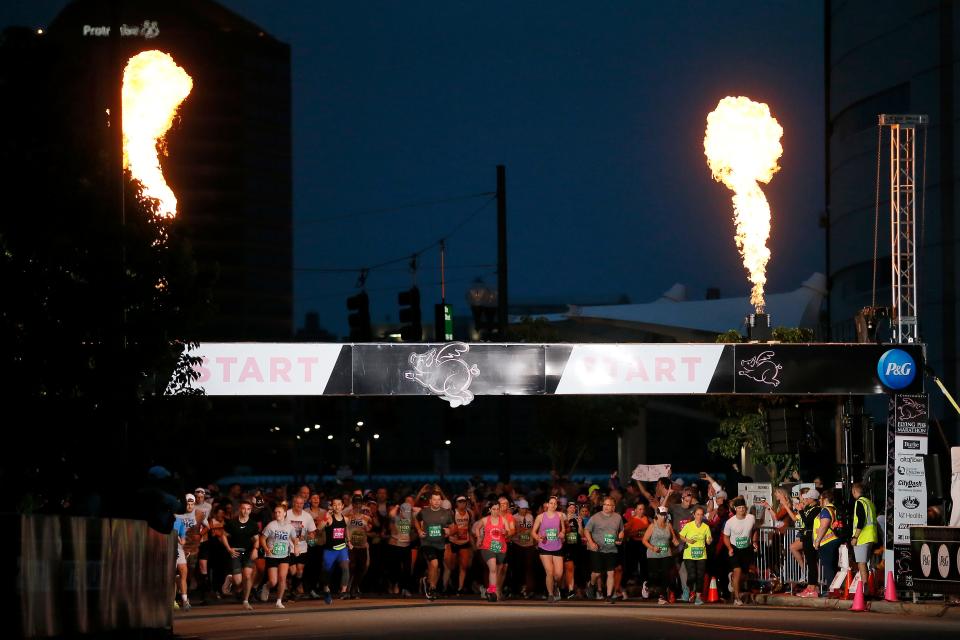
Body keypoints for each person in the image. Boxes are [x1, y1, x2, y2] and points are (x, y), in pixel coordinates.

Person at [584, 496, 624, 604]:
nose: (606, 507)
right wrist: (591, 542)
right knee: (597, 574)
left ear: (613, 507)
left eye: (609, 505)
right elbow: (586, 530)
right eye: (605, 504)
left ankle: (609, 595)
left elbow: (621, 530)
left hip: (611, 549)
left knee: (610, 572)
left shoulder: (618, 517)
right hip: (597, 548)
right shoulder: (596, 517)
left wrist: (620, 538)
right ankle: (591, 584)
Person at [415, 490, 454, 600]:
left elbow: (453, 526)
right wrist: (419, 530)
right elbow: (416, 520)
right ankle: (432, 588)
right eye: (434, 500)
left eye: (438, 500)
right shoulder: (424, 512)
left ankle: (429, 583)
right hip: (427, 543)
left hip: (440, 544)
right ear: (430, 501)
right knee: (435, 563)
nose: (437, 502)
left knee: (436, 568)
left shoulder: (446, 513)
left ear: (441, 501)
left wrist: (449, 531)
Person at [222, 499, 260, 610]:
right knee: (238, 581)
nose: (245, 511)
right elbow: (223, 536)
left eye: (248, 509)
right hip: (236, 553)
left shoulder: (253, 524)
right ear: (240, 509)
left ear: (250, 510)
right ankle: (231, 579)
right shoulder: (232, 523)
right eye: (243, 508)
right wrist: (229, 549)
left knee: (247, 575)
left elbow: (256, 539)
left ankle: (245, 600)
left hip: (248, 553)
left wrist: (255, 549)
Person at [259, 503, 299, 609]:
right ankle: (266, 586)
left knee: (282, 578)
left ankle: (279, 601)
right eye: (275, 512)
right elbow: (262, 539)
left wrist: (296, 547)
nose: (277, 514)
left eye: (279, 512)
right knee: (273, 581)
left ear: (285, 513)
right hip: (272, 555)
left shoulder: (289, 526)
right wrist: (267, 549)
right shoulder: (271, 525)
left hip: (284, 555)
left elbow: (295, 538)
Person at [474, 500, 513, 601]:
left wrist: (506, 532)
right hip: (487, 547)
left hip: (500, 548)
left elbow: (509, 532)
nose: (496, 511)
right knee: (493, 569)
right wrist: (479, 538)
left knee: (498, 571)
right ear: (490, 509)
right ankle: (492, 592)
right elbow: (477, 528)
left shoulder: (503, 520)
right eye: (494, 509)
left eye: (497, 509)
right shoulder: (485, 520)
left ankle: (492, 590)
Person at [722, 497, 757, 606]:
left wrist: (755, 541)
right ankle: (737, 598)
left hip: (746, 548)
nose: (742, 510)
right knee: (738, 571)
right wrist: (730, 548)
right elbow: (725, 537)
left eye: (743, 507)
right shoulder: (730, 522)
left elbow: (754, 530)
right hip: (735, 549)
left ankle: (732, 579)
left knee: (744, 575)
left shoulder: (751, 518)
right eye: (739, 508)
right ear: (735, 509)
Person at [643, 506, 678, 605]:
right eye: (661, 515)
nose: (663, 517)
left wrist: (676, 542)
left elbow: (673, 538)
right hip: (653, 554)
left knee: (665, 574)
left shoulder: (668, 525)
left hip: (666, 553)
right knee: (654, 575)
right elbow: (644, 540)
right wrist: (653, 548)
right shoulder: (652, 526)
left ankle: (662, 596)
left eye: (665, 515)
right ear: (657, 515)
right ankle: (647, 584)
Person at [532, 495, 565, 602]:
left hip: (557, 546)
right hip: (544, 547)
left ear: (557, 505)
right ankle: (550, 594)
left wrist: (562, 533)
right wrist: (538, 538)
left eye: (555, 503)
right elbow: (533, 532)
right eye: (551, 503)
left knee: (558, 574)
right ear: (547, 504)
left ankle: (555, 585)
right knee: (549, 572)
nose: (553, 505)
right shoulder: (540, 517)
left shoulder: (560, 515)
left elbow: (563, 530)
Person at [285, 495, 317, 601]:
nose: (299, 505)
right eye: (297, 503)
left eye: (301, 503)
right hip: (289, 547)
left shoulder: (307, 516)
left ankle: (292, 591)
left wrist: (307, 537)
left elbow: (312, 533)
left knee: (299, 571)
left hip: (302, 548)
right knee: (293, 571)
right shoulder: (287, 514)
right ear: (293, 503)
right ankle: (290, 586)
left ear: (304, 504)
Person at [678, 506, 712, 605]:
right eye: (698, 514)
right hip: (689, 554)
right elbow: (681, 536)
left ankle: (698, 597)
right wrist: (688, 540)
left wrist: (709, 540)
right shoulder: (688, 526)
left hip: (701, 554)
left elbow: (709, 540)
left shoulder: (706, 527)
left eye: (701, 514)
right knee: (692, 575)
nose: (699, 516)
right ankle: (687, 589)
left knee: (700, 576)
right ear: (694, 515)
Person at [320, 497, 351, 603]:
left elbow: (346, 530)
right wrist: (325, 517)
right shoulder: (329, 518)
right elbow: (319, 528)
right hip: (330, 550)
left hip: (342, 548)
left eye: (339, 504)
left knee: (345, 567)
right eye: (334, 504)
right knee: (327, 572)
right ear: (332, 506)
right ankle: (326, 589)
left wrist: (349, 541)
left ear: (342, 506)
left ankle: (343, 591)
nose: (337, 506)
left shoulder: (346, 519)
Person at [812, 489, 841, 596]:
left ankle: (831, 591)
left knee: (828, 568)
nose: (819, 501)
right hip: (832, 541)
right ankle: (834, 590)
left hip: (826, 542)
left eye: (820, 498)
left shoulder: (825, 510)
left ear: (825, 499)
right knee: (832, 567)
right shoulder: (833, 509)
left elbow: (824, 526)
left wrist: (817, 541)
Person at [850, 483, 878, 592]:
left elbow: (860, 521)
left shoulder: (859, 502)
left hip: (863, 537)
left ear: (854, 492)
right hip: (872, 536)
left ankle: (865, 589)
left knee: (861, 563)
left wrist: (855, 537)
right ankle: (872, 588)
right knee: (868, 564)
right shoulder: (869, 503)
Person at [445, 496, 474, 596]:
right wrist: (453, 531)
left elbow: (470, 527)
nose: (462, 504)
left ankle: (460, 588)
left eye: (464, 502)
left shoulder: (469, 513)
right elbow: (448, 526)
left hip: (464, 542)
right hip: (453, 542)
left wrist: (472, 542)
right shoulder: (452, 513)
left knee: (464, 565)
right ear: (456, 503)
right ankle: (448, 586)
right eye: (460, 502)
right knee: (451, 566)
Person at [795, 489, 822, 598]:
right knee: (810, 562)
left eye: (807, 498)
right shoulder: (809, 508)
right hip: (806, 537)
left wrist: (801, 511)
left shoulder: (816, 509)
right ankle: (810, 586)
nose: (806, 499)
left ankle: (813, 587)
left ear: (812, 499)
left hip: (811, 538)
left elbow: (808, 522)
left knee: (812, 563)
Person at [347, 495, 372, 598]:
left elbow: (370, 528)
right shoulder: (348, 516)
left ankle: (353, 588)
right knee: (351, 567)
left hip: (362, 545)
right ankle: (347, 590)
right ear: (352, 504)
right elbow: (345, 528)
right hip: (351, 546)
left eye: (359, 503)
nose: (357, 505)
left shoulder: (366, 517)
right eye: (355, 503)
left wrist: (368, 528)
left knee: (362, 568)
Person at [511, 498, 537, 598]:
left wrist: (534, 543)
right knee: (518, 568)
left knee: (529, 568)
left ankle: (529, 589)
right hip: (518, 545)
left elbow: (533, 529)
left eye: (526, 508)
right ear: (518, 508)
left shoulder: (530, 517)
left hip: (529, 545)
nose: (524, 510)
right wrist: (519, 530)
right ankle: (517, 589)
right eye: (522, 508)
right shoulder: (514, 517)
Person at [562, 502, 584, 599]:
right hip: (565, 546)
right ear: (567, 509)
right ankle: (569, 589)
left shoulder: (578, 519)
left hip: (576, 546)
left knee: (573, 568)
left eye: (574, 508)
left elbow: (582, 534)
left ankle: (569, 589)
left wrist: (579, 524)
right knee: (568, 567)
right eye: (570, 507)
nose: (572, 509)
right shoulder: (562, 518)